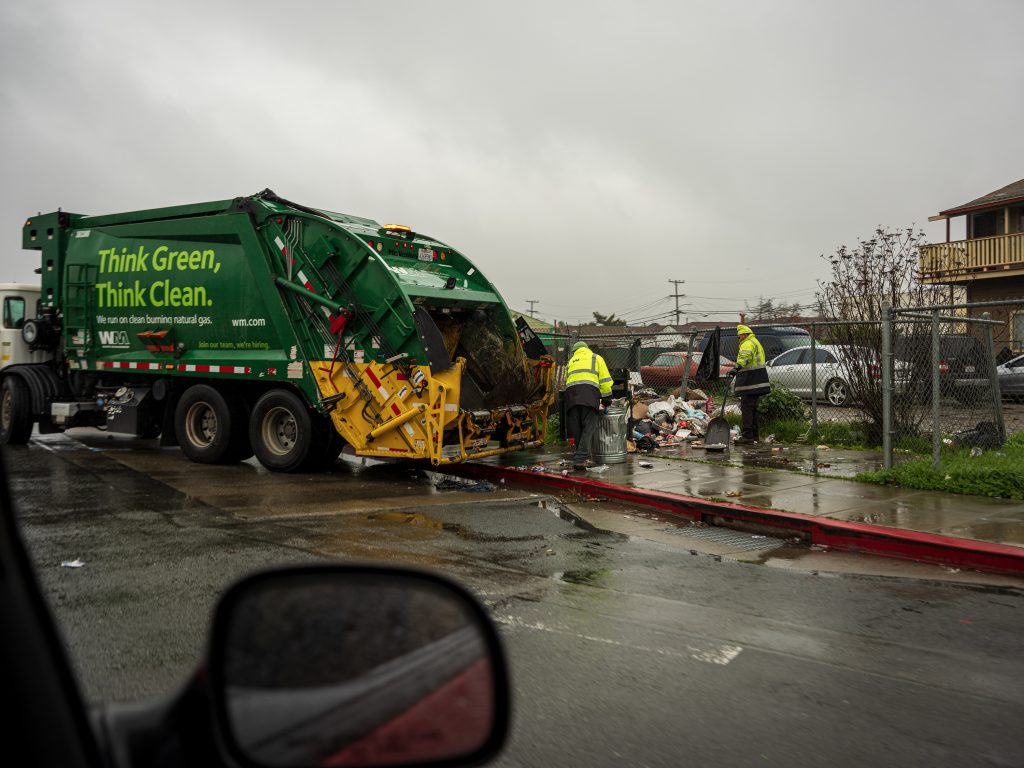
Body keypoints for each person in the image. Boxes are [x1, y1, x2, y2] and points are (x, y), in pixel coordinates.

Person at [563, 341, 613, 469]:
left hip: (571, 399)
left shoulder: (571, 362)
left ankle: (582, 457)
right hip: (589, 397)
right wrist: (606, 399)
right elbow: (605, 380)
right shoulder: (596, 358)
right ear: (587, 349)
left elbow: (567, 382)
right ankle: (580, 459)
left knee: (577, 429)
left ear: (575, 352)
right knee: (588, 429)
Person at [729, 324, 771, 445]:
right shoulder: (755, 341)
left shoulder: (747, 343)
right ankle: (754, 436)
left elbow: (744, 357)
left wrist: (736, 368)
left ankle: (747, 437)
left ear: (743, 335)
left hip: (750, 380)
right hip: (758, 379)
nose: (739, 339)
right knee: (752, 408)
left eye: (739, 336)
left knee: (746, 407)